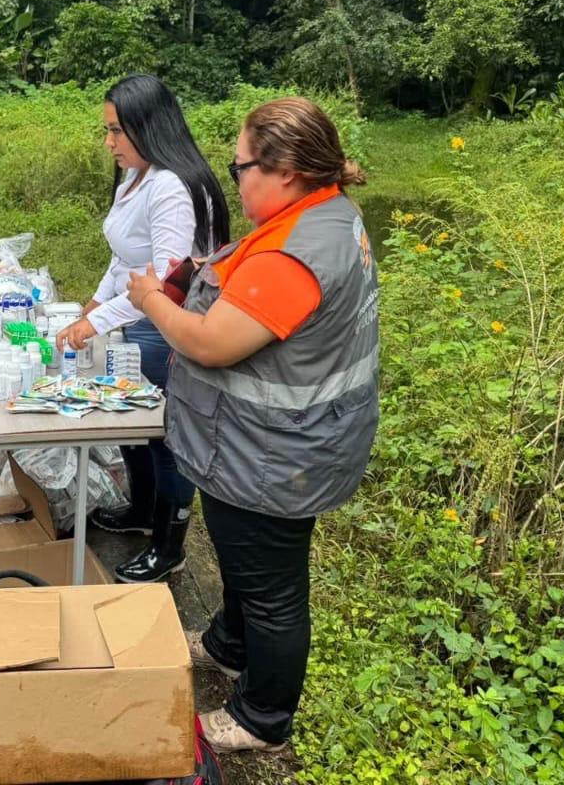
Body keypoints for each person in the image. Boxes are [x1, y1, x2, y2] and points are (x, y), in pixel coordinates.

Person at [125, 96, 379, 753]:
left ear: (285, 169)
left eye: (240, 167)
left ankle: (262, 717)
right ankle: (226, 645)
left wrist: (153, 299)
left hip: (275, 454)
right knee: (242, 561)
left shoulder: (295, 255)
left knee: (271, 587)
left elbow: (208, 343)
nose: (234, 178)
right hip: (277, 443)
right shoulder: (323, 212)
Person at [56, 74, 230, 583]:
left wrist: (96, 323)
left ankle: (168, 543)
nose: (109, 142)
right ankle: (139, 511)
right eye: (107, 130)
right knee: (132, 425)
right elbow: (124, 259)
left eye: (117, 131)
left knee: (166, 437)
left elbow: (167, 283)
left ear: (148, 127)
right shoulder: (138, 175)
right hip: (141, 323)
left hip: (170, 330)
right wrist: (91, 305)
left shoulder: (172, 187)